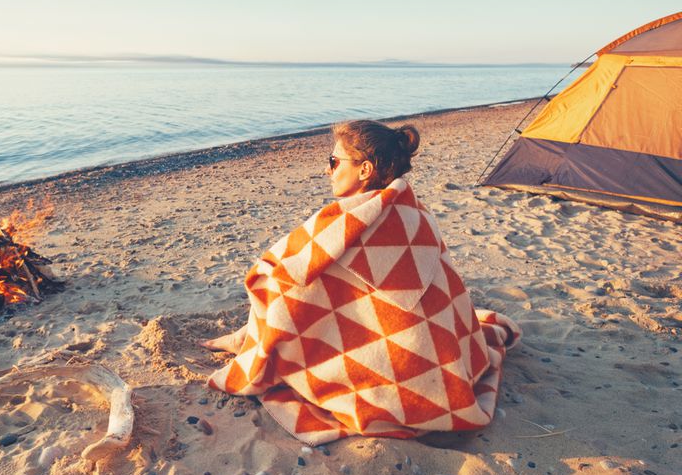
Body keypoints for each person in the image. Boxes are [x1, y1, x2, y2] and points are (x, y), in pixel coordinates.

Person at [204, 120, 521, 445]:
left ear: (365, 169)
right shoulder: (418, 215)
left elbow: (273, 271)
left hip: (395, 372)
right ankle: (248, 338)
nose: (328, 171)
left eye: (334, 162)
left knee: (283, 287)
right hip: (439, 361)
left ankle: (249, 342)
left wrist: (257, 334)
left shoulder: (344, 223)